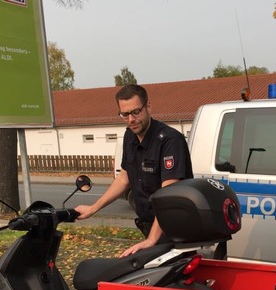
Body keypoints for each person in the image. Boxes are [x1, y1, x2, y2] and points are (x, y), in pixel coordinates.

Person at [75, 84, 193, 256]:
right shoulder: (129, 137)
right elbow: (124, 179)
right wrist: (93, 209)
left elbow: (169, 195)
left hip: (174, 230)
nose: (131, 119)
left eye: (136, 112)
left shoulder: (169, 140)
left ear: (148, 107)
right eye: (125, 114)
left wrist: (152, 240)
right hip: (150, 228)